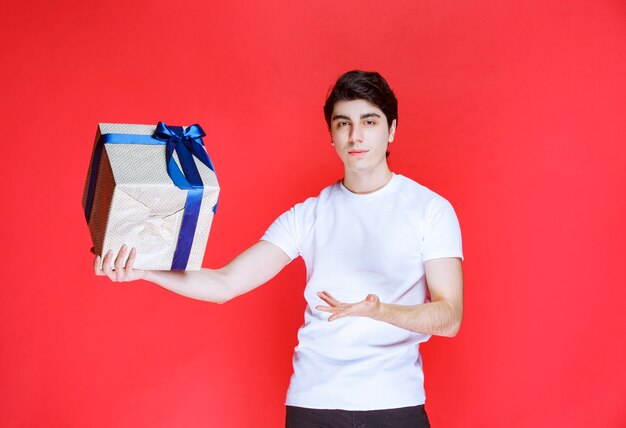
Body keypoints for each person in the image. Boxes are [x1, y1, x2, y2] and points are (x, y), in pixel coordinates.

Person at [94, 70, 464, 428]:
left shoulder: (430, 209)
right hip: (312, 405)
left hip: (395, 404)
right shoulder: (308, 215)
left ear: (392, 129)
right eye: (343, 123)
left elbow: (449, 317)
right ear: (331, 135)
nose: (356, 136)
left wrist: (379, 311)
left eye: (370, 122)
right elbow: (225, 283)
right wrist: (144, 270)